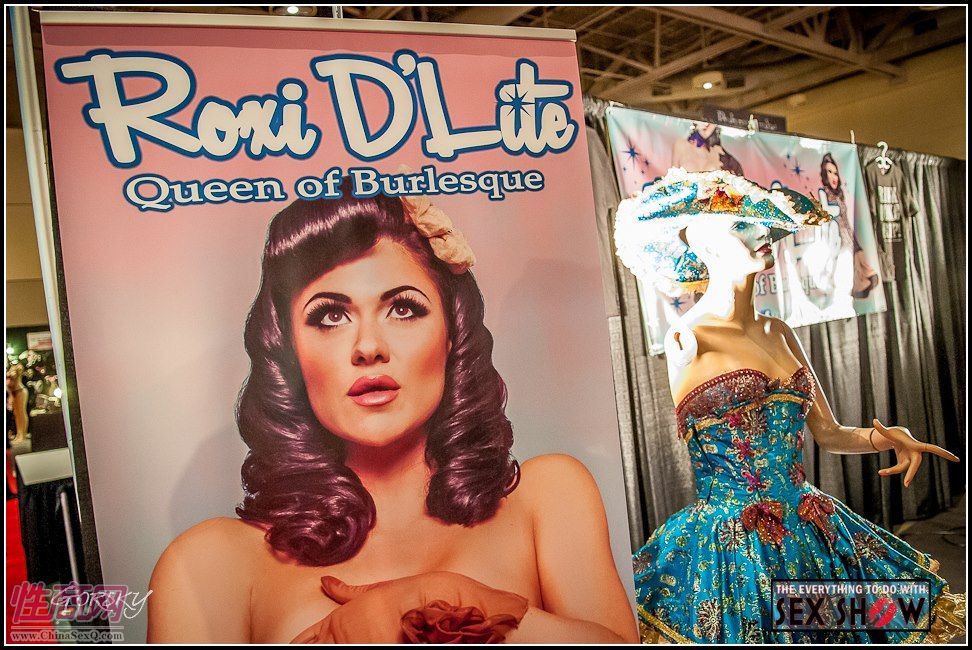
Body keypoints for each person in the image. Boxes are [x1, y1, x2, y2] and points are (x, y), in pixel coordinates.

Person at [146, 181, 638, 644]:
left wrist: (453, 601)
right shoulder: (209, 564)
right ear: (288, 350)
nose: (368, 347)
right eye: (330, 316)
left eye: (403, 309)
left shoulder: (546, 499)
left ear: (452, 334)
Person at [614, 168, 965, 643]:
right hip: (732, 551)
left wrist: (886, 437)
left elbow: (829, 433)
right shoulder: (686, 339)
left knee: (861, 620)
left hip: (809, 527)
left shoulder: (778, 331)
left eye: (762, 223)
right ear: (704, 246)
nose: (761, 233)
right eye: (742, 225)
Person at [818, 152, 879, 300]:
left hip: (848, 237)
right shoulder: (823, 193)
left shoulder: (840, 194)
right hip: (835, 240)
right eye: (829, 172)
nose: (833, 176)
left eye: (835, 173)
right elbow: (825, 211)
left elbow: (845, 219)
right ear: (824, 175)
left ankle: (859, 286)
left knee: (861, 265)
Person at [671, 122, 744, 177]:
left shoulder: (718, 151)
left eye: (710, 120)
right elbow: (672, 178)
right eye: (703, 119)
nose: (706, 123)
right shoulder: (681, 144)